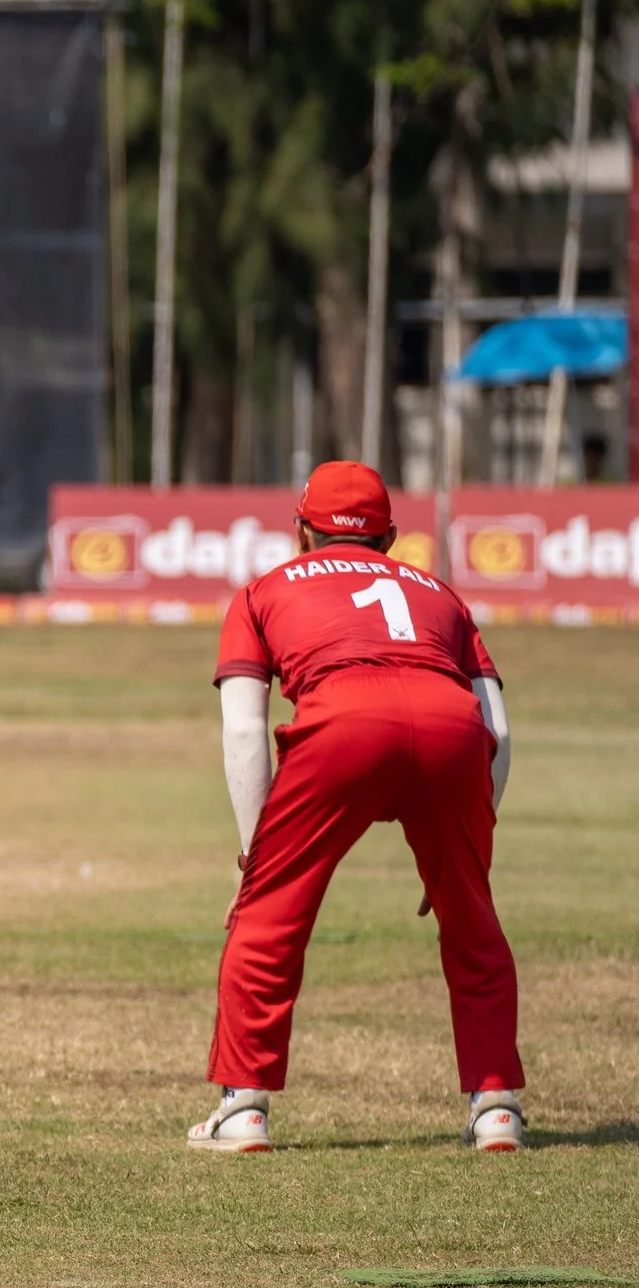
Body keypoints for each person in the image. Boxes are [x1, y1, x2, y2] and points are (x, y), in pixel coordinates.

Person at [193, 461, 522, 1154]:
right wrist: (468, 848)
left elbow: (246, 728)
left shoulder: (260, 591)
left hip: (342, 723)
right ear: (394, 536)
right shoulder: (443, 593)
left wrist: (257, 858)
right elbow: (501, 729)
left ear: (301, 531)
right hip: (452, 730)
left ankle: (243, 1107)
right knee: (473, 922)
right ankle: (496, 1106)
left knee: (269, 917)